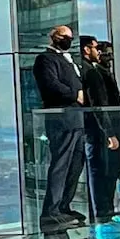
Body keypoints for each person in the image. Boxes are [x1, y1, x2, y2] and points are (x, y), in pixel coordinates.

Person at [35, 25, 88, 226]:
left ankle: (64, 205)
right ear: (54, 37)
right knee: (61, 164)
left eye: (70, 37)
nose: (68, 40)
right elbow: (50, 85)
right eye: (65, 36)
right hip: (61, 119)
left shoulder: (69, 60)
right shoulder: (46, 59)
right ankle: (51, 210)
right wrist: (75, 95)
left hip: (77, 119)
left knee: (75, 164)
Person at [81, 37, 120, 222]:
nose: (108, 56)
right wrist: (110, 133)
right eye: (103, 51)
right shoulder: (93, 73)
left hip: (111, 130)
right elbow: (100, 105)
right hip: (103, 134)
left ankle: (106, 212)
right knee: (103, 175)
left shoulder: (101, 72)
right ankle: (103, 214)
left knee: (110, 174)